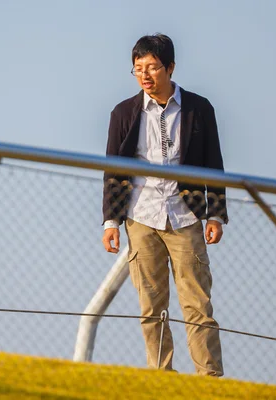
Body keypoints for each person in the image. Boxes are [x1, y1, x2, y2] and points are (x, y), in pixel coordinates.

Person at [101, 34, 228, 376]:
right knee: (151, 306)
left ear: (170, 67)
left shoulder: (199, 108)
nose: (145, 75)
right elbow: (114, 171)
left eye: (153, 67)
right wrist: (111, 222)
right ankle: (161, 379)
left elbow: (212, 163)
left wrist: (215, 213)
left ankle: (210, 380)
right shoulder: (123, 112)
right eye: (138, 68)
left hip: (186, 216)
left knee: (198, 304)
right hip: (140, 217)